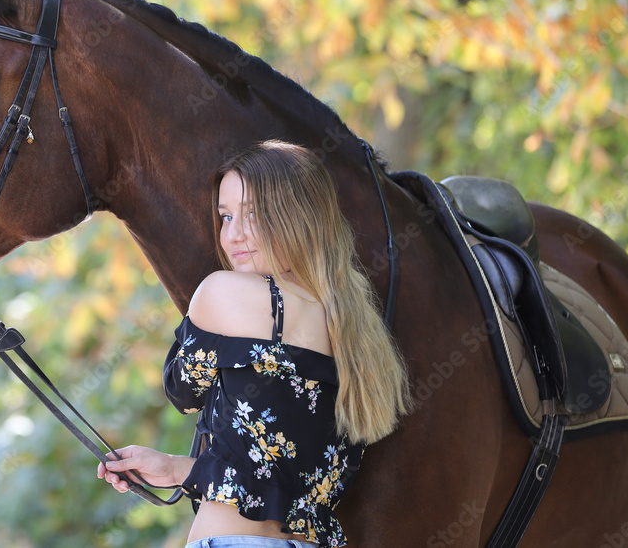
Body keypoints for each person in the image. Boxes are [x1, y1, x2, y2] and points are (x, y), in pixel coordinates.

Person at [97, 140, 409, 548]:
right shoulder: (358, 333)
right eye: (226, 217)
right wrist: (175, 469)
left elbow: (183, 391)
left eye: (253, 215)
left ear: (298, 218)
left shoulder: (223, 293)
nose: (233, 236)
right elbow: (272, 485)